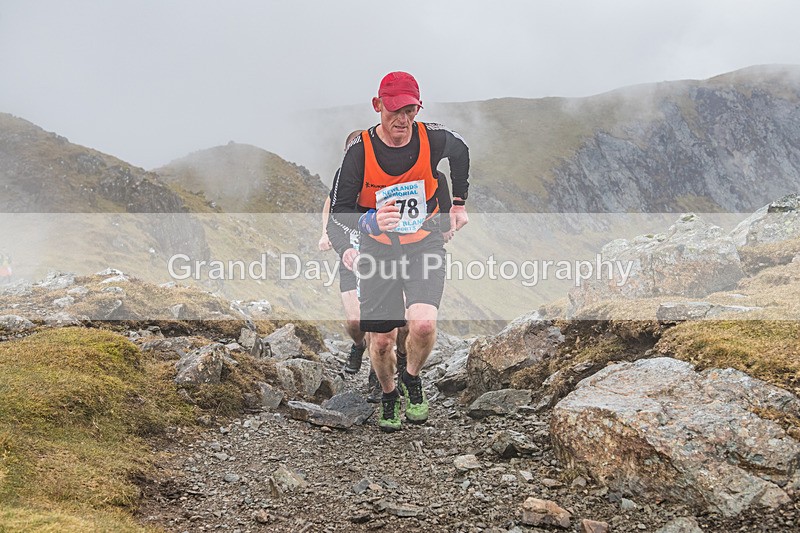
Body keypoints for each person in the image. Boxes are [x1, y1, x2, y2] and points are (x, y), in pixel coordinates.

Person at [328, 71, 469, 432]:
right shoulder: (358, 152)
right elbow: (341, 209)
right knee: (381, 341)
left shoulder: (433, 138)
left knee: (422, 324)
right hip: (379, 251)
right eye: (394, 110)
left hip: (424, 244)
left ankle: (411, 378)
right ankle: (389, 394)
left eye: (410, 110)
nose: (402, 120)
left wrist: (458, 204)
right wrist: (371, 223)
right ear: (378, 107)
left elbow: (461, 151)